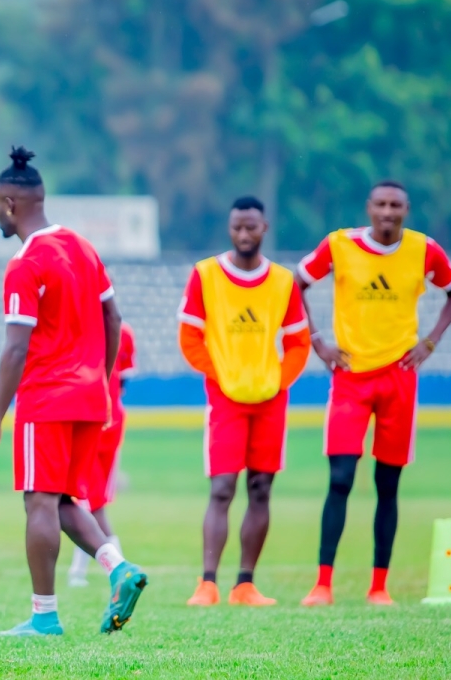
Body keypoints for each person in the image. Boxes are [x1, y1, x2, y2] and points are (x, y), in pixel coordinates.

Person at [0, 147, 149, 638]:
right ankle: (119, 568)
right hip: (90, 397)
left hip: (47, 396)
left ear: (11, 203)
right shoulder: (81, 247)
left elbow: (16, 349)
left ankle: (44, 617)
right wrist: (98, 377)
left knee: (38, 501)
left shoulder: (25, 263)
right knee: (62, 501)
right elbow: (113, 318)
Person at [297, 181, 451, 606]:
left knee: (387, 483)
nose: (388, 212)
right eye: (381, 204)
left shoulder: (424, 250)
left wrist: (430, 341)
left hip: (399, 378)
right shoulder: (338, 245)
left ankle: (378, 587)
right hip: (351, 377)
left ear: (406, 209)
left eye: (396, 205)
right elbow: (296, 284)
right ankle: (322, 584)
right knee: (340, 478)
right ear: (368, 208)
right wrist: (317, 339)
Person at [176, 196, 311, 607]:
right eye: (237, 227)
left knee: (261, 488)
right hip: (226, 401)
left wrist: (278, 381)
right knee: (222, 489)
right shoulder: (206, 274)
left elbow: (299, 342)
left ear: (264, 228)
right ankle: (208, 583)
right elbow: (189, 337)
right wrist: (221, 377)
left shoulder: (283, 281)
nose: (244, 234)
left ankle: (245, 584)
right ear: (229, 228)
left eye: (252, 227)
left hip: (270, 401)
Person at [67, 320, 135, 588]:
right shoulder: (121, 331)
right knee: (88, 500)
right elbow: (124, 382)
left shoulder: (81, 328)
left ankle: (116, 568)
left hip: (94, 417)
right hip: (100, 415)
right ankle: (113, 568)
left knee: (90, 501)